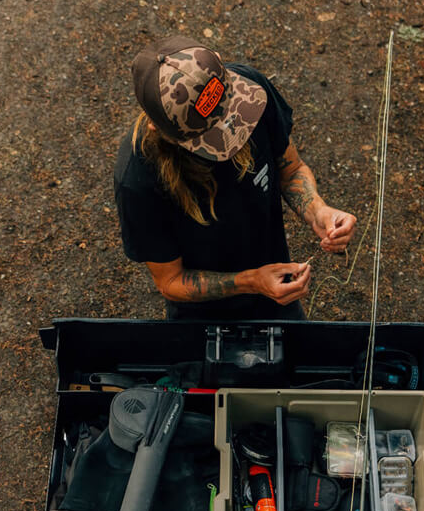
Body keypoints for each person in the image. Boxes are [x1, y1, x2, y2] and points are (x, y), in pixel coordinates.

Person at [114, 35, 357, 321]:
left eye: (231, 112)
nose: (232, 134)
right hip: (201, 317)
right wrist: (251, 281)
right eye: (208, 137)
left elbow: (290, 170)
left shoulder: (251, 89)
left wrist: (318, 211)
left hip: (277, 288)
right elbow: (170, 281)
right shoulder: (138, 179)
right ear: (157, 128)